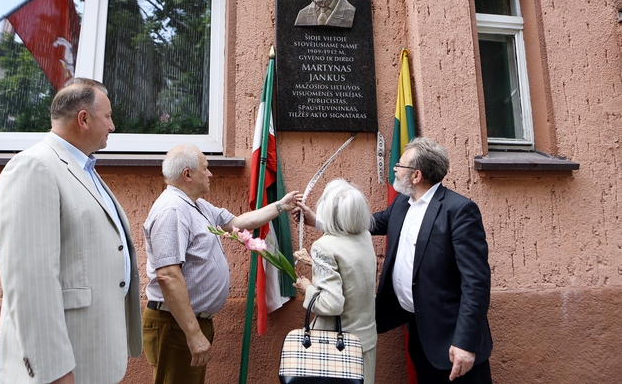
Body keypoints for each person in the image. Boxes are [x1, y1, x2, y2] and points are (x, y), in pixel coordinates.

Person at [297, 137, 493, 383]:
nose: (395, 169)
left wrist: (465, 343)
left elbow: (476, 284)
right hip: (418, 329)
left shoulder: (459, 211)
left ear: (417, 175)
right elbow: (370, 224)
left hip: (450, 335)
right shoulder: (402, 202)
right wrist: (317, 220)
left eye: (400, 165)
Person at [0, 77, 142, 384]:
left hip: (89, 358)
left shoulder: (82, 168)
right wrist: (55, 371)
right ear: (83, 119)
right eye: (108, 117)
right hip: (62, 370)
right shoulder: (35, 167)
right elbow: (29, 281)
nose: (112, 126)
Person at [142, 144, 301, 384]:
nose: (210, 174)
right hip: (175, 326)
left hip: (186, 324)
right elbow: (168, 275)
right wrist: (194, 334)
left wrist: (280, 206)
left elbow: (238, 222)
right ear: (187, 175)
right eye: (205, 169)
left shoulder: (197, 205)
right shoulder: (172, 210)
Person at [293, 178, 378, 384]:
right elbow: (351, 275)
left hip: (336, 347)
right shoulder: (364, 235)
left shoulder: (324, 247)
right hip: (364, 341)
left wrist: (308, 287)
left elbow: (331, 305)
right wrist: (315, 265)